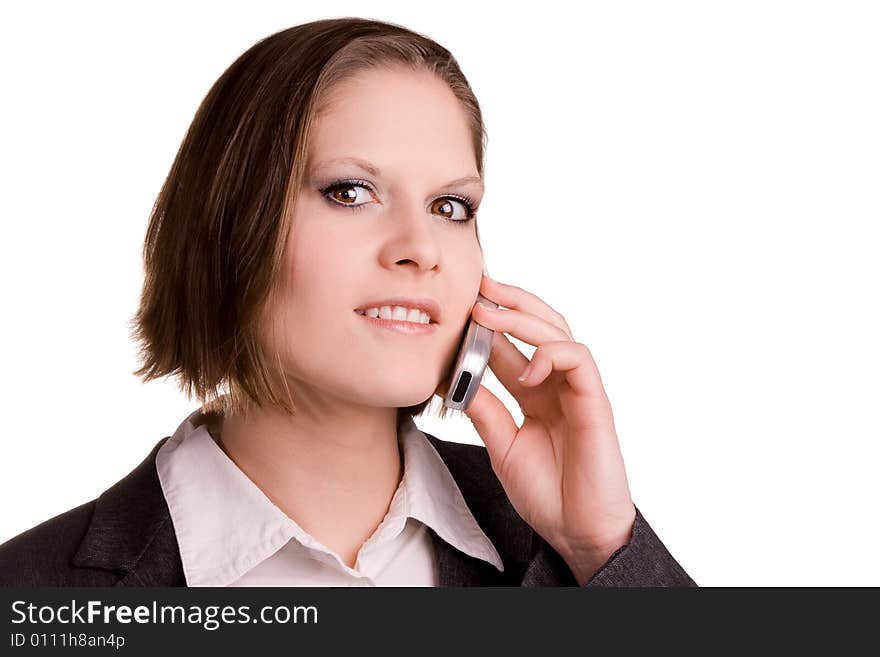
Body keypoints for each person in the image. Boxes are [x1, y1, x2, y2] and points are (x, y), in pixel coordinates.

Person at [0, 17, 696, 587]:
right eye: (350, 192)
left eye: (450, 206)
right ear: (226, 228)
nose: (420, 247)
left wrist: (602, 548)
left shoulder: (561, 550)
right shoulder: (30, 592)